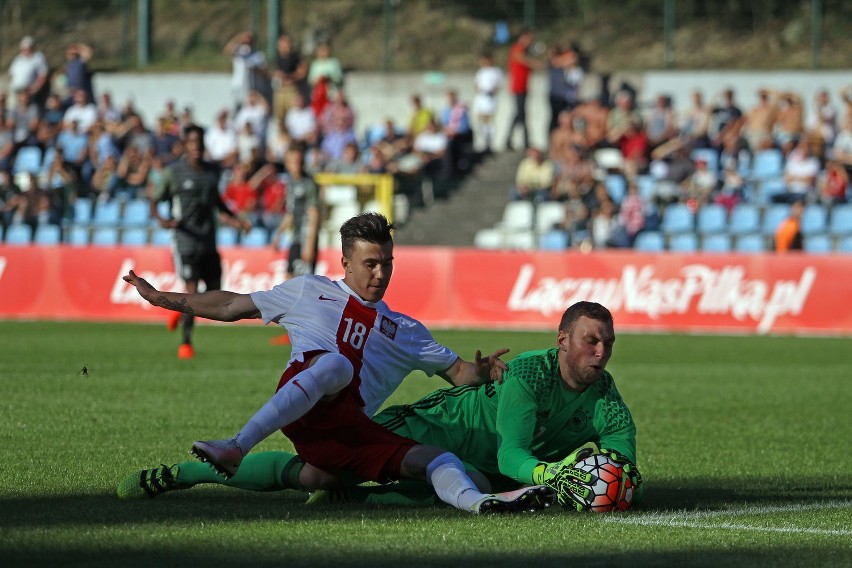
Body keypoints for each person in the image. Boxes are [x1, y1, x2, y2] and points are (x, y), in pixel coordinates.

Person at [119, 212, 554, 514]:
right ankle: (236, 444)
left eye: (387, 263)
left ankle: (479, 506)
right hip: (306, 401)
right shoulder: (309, 290)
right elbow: (233, 304)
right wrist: (164, 299)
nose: (380, 274)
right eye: (370, 263)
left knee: (427, 463)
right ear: (344, 261)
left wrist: (481, 371)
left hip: (345, 431)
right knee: (337, 366)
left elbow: (458, 372)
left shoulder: (405, 329)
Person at [117, 302, 641, 513]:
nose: (601, 352)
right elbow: (514, 456)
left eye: (608, 343)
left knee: (476, 489)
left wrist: (617, 482)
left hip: (476, 467)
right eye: (591, 340)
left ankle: (354, 498)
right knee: (320, 475)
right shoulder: (530, 373)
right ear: (562, 340)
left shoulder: (608, 400)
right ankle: (185, 472)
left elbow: (624, 464)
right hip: (431, 427)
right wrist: (557, 474)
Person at [149, 125, 251, 359]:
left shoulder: (210, 173)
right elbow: (154, 199)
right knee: (193, 291)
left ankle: (180, 307)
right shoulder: (173, 173)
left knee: (214, 289)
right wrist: (161, 219)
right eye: (192, 143)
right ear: (185, 145)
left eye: (200, 143)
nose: (196, 147)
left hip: (208, 241)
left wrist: (237, 220)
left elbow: (217, 203)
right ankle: (186, 343)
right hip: (185, 241)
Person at [504, 28, 540, 151]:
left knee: (521, 113)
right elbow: (523, 59)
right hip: (518, 86)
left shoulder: (523, 50)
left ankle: (519, 140)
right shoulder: (517, 48)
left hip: (523, 86)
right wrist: (538, 64)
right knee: (520, 113)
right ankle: (517, 140)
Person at [472, 51, 503, 154]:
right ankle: (482, 141)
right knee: (478, 121)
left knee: (488, 120)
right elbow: (476, 84)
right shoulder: (481, 71)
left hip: (489, 98)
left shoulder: (496, 71)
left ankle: (488, 143)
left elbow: (498, 85)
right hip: (481, 97)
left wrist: (491, 91)